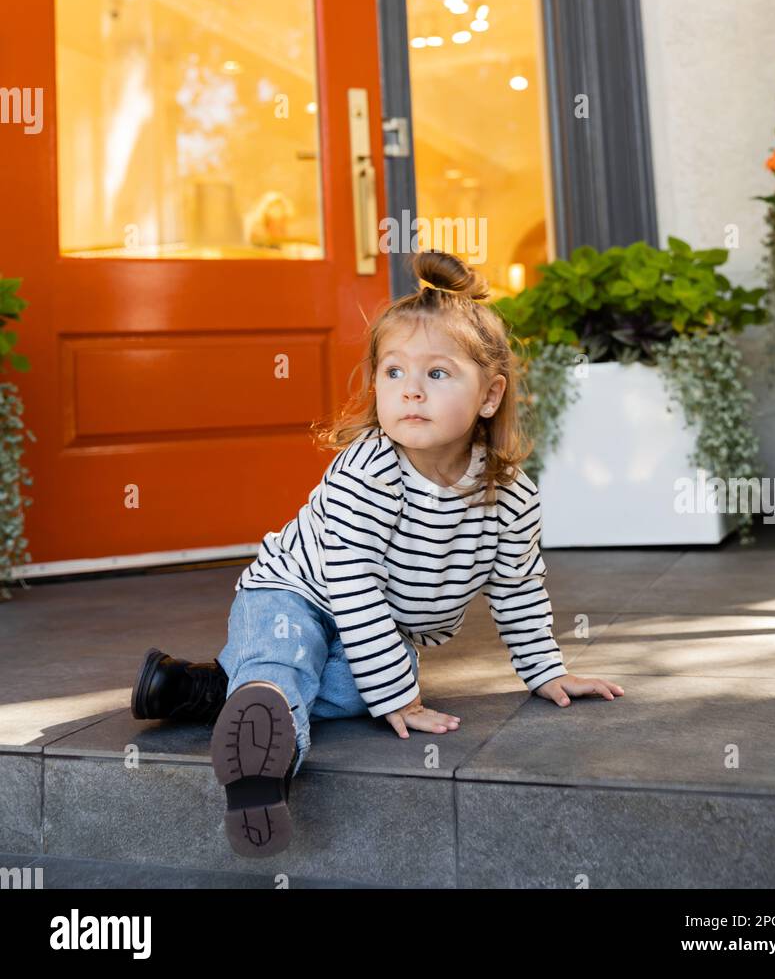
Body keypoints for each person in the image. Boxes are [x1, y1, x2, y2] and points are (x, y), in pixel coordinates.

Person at [131, 249, 624, 857]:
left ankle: (195, 690)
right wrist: (398, 694)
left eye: (437, 375)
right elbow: (351, 583)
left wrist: (547, 670)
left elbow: (518, 587)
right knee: (288, 656)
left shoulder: (510, 496)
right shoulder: (369, 469)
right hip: (293, 594)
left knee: (358, 687)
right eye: (393, 373)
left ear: (490, 396)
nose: (410, 391)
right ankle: (261, 770)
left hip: (373, 629)